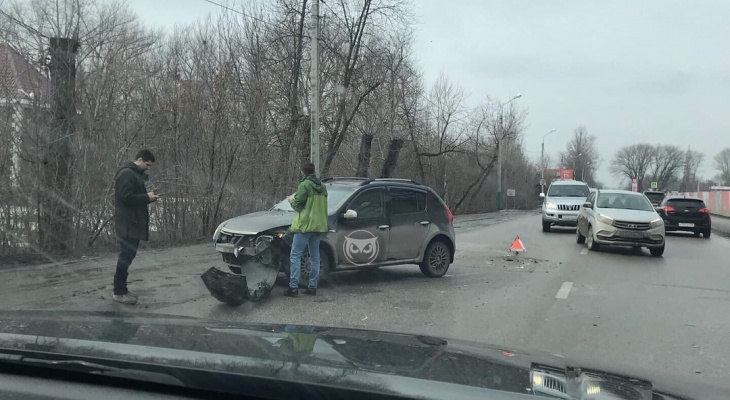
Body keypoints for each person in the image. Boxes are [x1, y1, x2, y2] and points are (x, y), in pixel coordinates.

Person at [112, 149, 160, 305]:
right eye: (147, 165)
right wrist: (147, 197)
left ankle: (121, 290)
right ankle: (119, 292)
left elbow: (131, 193)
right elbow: (125, 197)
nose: (148, 168)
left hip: (130, 223)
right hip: (127, 224)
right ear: (139, 159)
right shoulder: (127, 173)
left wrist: (147, 196)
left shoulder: (132, 173)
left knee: (127, 257)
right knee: (125, 257)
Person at [285, 162, 328, 297]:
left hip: (304, 226)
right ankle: (312, 287)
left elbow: (297, 206)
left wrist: (291, 200)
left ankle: (293, 288)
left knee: (295, 255)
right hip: (318, 225)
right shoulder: (323, 186)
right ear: (313, 171)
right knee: (315, 257)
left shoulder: (304, 185)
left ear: (302, 172)